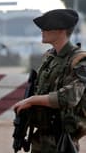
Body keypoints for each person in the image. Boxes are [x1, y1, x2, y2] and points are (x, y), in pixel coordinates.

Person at [13, 9, 86, 152]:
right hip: (40, 136)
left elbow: (70, 97)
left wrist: (32, 100)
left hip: (61, 139)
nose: (42, 30)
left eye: (47, 27)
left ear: (61, 31)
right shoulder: (49, 57)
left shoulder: (79, 60)